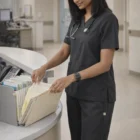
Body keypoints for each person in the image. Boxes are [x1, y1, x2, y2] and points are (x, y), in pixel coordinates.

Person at [32, 0, 119, 139]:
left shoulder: (108, 20)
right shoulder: (76, 20)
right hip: (74, 94)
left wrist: (71, 78)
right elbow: (64, 52)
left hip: (96, 96)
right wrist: (44, 67)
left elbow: (105, 64)